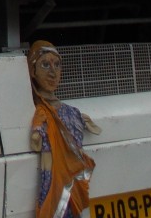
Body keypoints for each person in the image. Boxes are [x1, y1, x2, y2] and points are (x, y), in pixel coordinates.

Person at [28, 40, 99, 218]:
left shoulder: (71, 112)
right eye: (45, 65)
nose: (53, 72)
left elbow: (93, 129)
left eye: (57, 65)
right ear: (33, 71)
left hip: (71, 180)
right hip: (53, 180)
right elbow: (36, 141)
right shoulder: (41, 112)